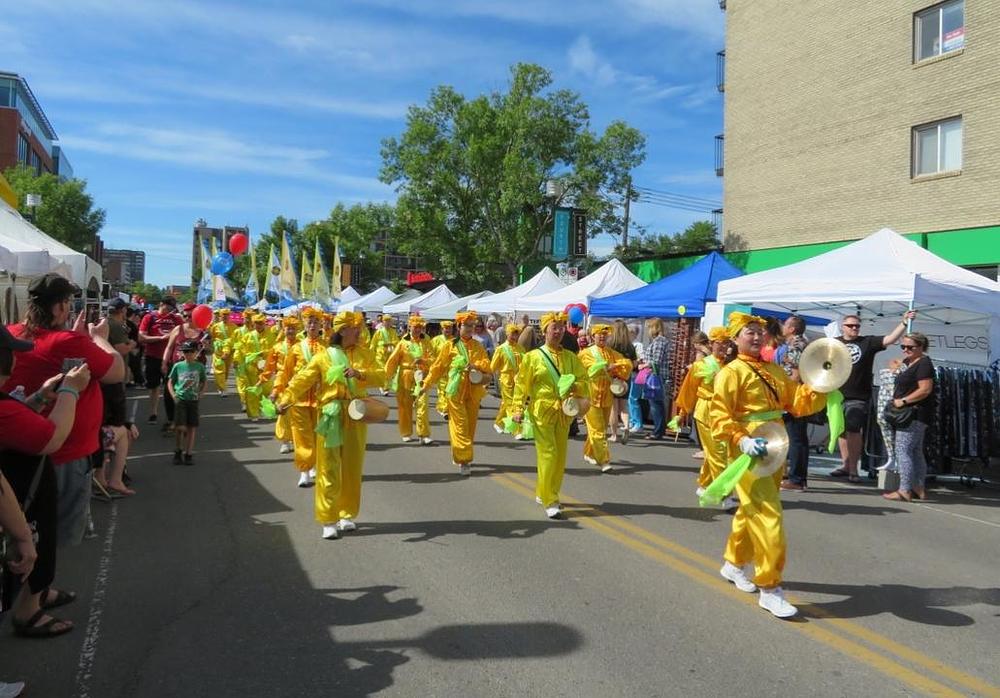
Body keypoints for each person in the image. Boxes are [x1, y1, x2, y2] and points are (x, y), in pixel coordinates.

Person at [710, 312, 826, 618]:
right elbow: (719, 415)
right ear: (735, 339)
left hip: (775, 446)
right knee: (767, 515)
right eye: (749, 332)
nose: (757, 336)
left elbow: (797, 403)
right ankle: (770, 587)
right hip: (750, 450)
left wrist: (822, 385)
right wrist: (740, 438)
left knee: (752, 511)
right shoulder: (730, 372)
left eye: (760, 332)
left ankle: (734, 563)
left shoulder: (773, 369)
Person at [5, 273, 125, 546]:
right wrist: (99, 338)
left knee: (24, 529)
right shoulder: (67, 341)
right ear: (60, 307)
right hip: (64, 455)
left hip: (19, 447)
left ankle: (36, 585)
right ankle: (39, 586)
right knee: (51, 537)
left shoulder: (11, 334)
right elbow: (116, 371)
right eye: (68, 302)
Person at [1, 322, 92, 638]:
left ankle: (37, 595)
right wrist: (70, 390)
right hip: (20, 501)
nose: (16, 360)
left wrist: (40, 397)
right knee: (31, 548)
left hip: (29, 493)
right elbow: (51, 437)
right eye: (12, 353)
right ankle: (28, 613)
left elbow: (17, 424)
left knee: (43, 544)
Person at [277, 311, 385, 539]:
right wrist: (285, 399)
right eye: (356, 328)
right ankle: (329, 519)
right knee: (328, 468)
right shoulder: (324, 356)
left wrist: (361, 374)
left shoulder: (365, 353)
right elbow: (301, 380)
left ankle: (346, 514)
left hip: (356, 414)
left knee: (352, 467)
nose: (360, 331)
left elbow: (383, 376)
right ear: (343, 330)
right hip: (330, 416)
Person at [511, 311, 590, 519]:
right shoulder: (533, 357)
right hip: (542, 412)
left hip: (565, 412)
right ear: (545, 331)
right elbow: (522, 384)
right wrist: (517, 408)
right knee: (548, 454)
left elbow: (584, 381)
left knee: (560, 456)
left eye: (561, 328)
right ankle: (551, 499)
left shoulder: (571, 358)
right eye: (554, 328)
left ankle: (543, 490)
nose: (558, 331)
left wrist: (575, 385)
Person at [832, 311, 916, 482]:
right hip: (835, 395)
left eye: (857, 326)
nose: (854, 328)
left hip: (858, 396)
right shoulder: (833, 344)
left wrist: (904, 323)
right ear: (843, 327)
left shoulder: (867, 342)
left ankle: (854, 470)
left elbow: (890, 339)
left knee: (854, 429)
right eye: (850, 326)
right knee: (840, 430)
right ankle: (846, 465)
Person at [421, 311, 492, 476]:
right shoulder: (450, 346)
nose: (469, 329)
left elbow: (487, 366)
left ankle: (460, 453)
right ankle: (464, 460)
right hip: (455, 392)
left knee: (470, 428)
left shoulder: (478, 346)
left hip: (473, 393)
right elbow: (438, 367)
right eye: (466, 325)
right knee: (459, 426)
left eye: (472, 326)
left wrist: (474, 365)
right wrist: (426, 384)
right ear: (458, 326)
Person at [675, 326, 735, 508]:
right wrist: (681, 414)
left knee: (716, 452)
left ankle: (704, 484)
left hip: (725, 413)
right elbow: (688, 391)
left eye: (726, 343)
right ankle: (725, 494)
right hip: (705, 412)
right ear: (711, 344)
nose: (723, 347)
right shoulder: (701, 365)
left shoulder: (731, 366)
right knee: (718, 453)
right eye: (719, 343)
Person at [272, 309, 325, 486]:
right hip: (299, 400)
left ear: (320, 325)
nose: (312, 326)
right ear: (304, 324)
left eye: (315, 323)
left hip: (320, 400)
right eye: (309, 323)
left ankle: (315, 465)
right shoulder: (296, 348)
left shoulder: (327, 348)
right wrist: (278, 392)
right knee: (302, 437)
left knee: (319, 435)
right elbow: (285, 374)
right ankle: (304, 471)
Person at [883, 333, 935, 502]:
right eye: (903, 347)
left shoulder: (924, 364)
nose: (906, 350)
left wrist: (904, 400)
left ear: (921, 347)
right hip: (913, 413)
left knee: (903, 450)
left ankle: (905, 489)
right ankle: (918, 487)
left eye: (910, 347)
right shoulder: (910, 362)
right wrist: (897, 365)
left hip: (913, 413)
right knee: (915, 451)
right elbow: (895, 366)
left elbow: (925, 389)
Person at [578, 324, 632, 472]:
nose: (602, 337)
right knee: (597, 430)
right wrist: (606, 367)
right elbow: (588, 370)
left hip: (607, 396)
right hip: (591, 396)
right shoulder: (586, 353)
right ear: (592, 336)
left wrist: (618, 368)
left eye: (604, 335)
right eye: (599, 334)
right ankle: (604, 460)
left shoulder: (612, 353)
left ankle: (589, 453)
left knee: (600, 428)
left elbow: (626, 365)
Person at [385, 315, 436, 445]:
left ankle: (423, 434)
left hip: (421, 375)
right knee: (404, 405)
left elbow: (433, 360)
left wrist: (423, 361)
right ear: (409, 327)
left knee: (422, 405)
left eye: (420, 327)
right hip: (405, 375)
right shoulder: (403, 343)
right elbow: (393, 360)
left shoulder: (426, 342)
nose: (417, 330)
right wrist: (385, 376)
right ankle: (406, 432)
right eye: (415, 327)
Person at [777, 315, 812, 491]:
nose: (782, 327)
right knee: (799, 438)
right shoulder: (802, 342)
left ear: (792, 329)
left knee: (795, 437)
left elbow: (795, 374)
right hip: (800, 395)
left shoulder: (795, 345)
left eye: (785, 325)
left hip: (795, 396)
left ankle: (796, 479)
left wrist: (785, 394)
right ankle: (799, 478)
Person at [138, 297, 182, 428]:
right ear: (161, 304)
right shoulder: (149, 317)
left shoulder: (176, 319)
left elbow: (184, 332)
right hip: (153, 356)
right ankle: (153, 412)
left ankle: (172, 417)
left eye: (171, 309)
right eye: (167, 308)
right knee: (154, 386)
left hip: (170, 358)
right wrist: (161, 338)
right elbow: (141, 337)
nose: (169, 312)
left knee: (171, 387)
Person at [261, 316, 300, 456]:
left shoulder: (301, 346)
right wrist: (262, 381)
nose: (290, 331)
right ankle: (285, 441)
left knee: (297, 413)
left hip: (298, 383)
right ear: (283, 329)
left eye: (293, 328)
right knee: (283, 412)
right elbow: (269, 366)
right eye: (288, 328)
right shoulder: (277, 347)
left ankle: (297, 441)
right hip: (281, 383)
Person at [167, 340, 207, 465]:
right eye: (186, 352)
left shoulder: (199, 366)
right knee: (180, 428)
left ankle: (188, 453)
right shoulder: (178, 366)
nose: (188, 354)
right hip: (181, 399)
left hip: (193, 400)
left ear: (196, 353)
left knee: (191, 427)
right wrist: (174, 395)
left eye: (191, 352)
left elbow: (204, 381)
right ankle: (178, 450)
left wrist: (201, 393)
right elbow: (170, 381)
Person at [490, 323, 525, 437]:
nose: (514, 337)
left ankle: (498, 423)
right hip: (506, 379)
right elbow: (493, 366)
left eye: (516, 334)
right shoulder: (501, 349)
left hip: (518, 379)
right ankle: (516, 430)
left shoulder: (520, 348)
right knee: (511, 403)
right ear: (507, 334)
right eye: (512, 334)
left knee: (507, 403)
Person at [642, 317, 671, 440]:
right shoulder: (660, 341)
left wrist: (643, 364)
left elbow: (656, 361)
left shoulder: (659, 341)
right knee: (658, 404)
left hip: (656, 377)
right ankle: (659, 430)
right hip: (657, 376)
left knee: (656, 405)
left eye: (649, 328)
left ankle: (658, 431)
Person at [430, 320, 455, 418]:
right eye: (446, 328)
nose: (448, 330)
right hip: (440, 369)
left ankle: (444, 407)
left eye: (450, 328)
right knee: (442, 389)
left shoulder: (455, 340)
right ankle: (445, 409)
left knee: (451, 390)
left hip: (452, 369)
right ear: (442, 329)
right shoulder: (436, 340)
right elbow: (431, 353)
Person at [369, 314, 399, 395]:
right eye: (386, 321)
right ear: (383, 322)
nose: (388, 323)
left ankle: (385, 387)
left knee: (389, 372)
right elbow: (373, 343)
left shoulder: (393, 331)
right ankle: (383, 387)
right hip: (380, 355)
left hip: (390, 355)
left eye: (389, 321)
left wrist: (391, 344)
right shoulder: (379, 332)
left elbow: (397, 342)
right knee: (383, 371)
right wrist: (371, 354)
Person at [209, 308, 235, 396]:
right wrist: (212, 348)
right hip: (219, 350)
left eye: (227, 314)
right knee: (219, 369)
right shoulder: (215, 326)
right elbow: (212, 338)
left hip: (229, 351)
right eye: (223, 314)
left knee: (227, 370)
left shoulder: (234, 326)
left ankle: (221, 385)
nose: (225, 316)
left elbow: (235, 339)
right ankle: (223, 388)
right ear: (220, 316)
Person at [627, 323, 645, 435]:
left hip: (636, 375)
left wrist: (633, 362)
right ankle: (632, 421)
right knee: (629, 399)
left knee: (633, 398)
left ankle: (638, 423)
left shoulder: (638, 345)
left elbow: (641, 358)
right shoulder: (628, 344)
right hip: (629, 374)